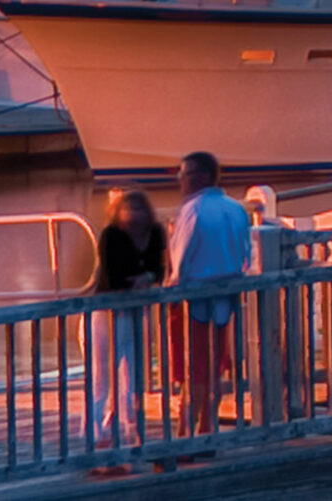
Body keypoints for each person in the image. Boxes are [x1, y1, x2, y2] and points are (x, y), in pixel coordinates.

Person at [167, 150, 252, 438]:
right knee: (215, 365)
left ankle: (186, 428)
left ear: (200, 176)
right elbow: (245, 253)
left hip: (194, 297)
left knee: (193, 368)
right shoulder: (236, 209)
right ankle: (209, 424)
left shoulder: (192, 210)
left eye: (184, 174)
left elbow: (182, 254)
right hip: (226, 296)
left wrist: (174, 285)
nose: (180, 180)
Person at [89, 190, 166, 451]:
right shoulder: (111, 235)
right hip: (106, 311)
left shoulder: (155, 233)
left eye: (138, 208)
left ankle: (130, 429)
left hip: (135, 310)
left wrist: (145, 278)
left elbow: (159, 270)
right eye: (128, 208)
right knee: (101, 374)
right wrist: (141, 279)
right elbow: (112, 277)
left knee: (132, 373)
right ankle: (95, 430)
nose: (133, 214)